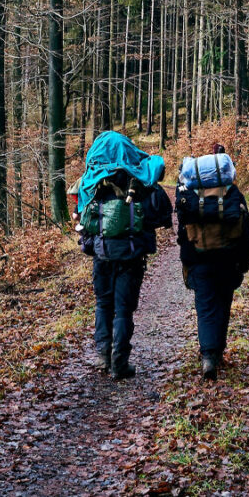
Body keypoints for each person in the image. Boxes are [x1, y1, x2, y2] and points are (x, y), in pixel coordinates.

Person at [77, 132, 172, 380]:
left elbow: (82, 219)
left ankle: (102, 355)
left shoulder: (93, 180)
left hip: (102, 253)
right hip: (131, 255)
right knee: (123, 310)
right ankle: (120, 361)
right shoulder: (140, 177)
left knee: (103, 303)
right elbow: (161, 214)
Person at [176, 143, 249, 380]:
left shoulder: (191, 195)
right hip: (228, 260)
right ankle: (218, 351)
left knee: (205, 307)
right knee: (223, 304)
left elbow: (183, 234)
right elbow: (247, 231)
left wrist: (187, 262)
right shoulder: (232, 193)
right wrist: (244, 261)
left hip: (200, 261)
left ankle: (209, 357)